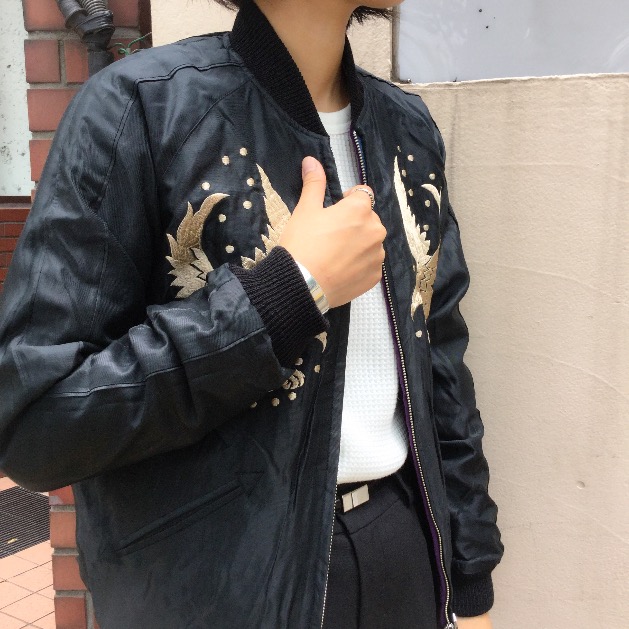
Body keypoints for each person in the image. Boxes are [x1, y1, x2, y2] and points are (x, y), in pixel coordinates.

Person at [0, 0, 503, 627]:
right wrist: (285, 294)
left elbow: (441, 366)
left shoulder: (406, 128)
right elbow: (35, 420)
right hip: (214, 586)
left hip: (400, 559)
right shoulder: (143, 108)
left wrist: (470, 579)